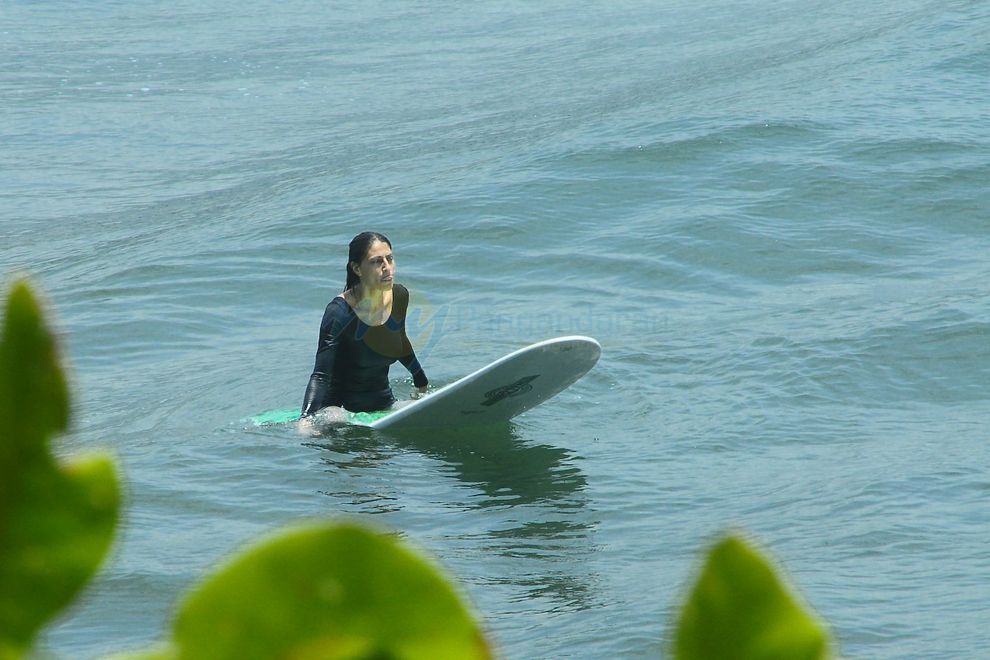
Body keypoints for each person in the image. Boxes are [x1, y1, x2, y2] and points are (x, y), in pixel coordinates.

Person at [299, 232, 428, 428]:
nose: (387, 268)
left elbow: (399, 341)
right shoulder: (339, 313)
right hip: (338, 412)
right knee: (348, 434)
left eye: (390, 259)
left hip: (383, 405)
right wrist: (307, 419)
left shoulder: (399, 296)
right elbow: (320, 375)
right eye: (377, 262)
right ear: (357, 268)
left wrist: (421, 383)